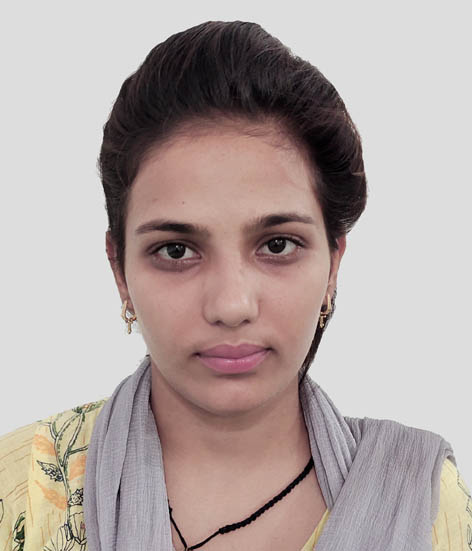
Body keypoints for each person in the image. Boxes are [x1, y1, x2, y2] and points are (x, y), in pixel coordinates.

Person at [0, 20, 469, 551]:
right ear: (119, 271)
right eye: (176, 251)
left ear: (333, 265)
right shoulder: (22, 495)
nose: (231, 305)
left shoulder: (428, 508)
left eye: (278, 245)